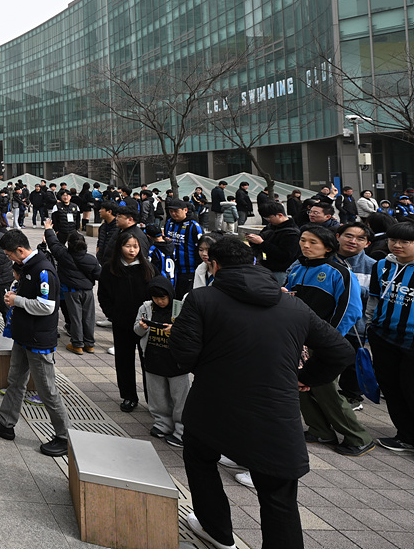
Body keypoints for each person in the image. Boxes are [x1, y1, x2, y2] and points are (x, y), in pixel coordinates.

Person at [171, 237, 354, 549]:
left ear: (214, 265)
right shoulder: (294, 305)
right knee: (278, 496)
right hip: (275, 414)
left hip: (213, 407)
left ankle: (216, 529)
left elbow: (181, 356)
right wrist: (305, 378)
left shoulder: (202, 299)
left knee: (200, 462)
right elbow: (341, 351)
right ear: (254, 262)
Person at [0, 229, 70, 457]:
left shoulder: (43, 269)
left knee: (47, 389)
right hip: (23, 336)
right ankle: (6, 422)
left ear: (20, 250)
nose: (9, 259)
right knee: (15, 380)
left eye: (10, 255)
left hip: (39, 340)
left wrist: (17, 301)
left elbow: (47, 306)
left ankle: (64, 437)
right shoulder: (28, 267)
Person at [366, 220, 414, 452]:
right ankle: (405, 436)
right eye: (393, 240)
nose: (397, 245)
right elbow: (374, 299)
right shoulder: (382, 265)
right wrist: (369, 328)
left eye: (406, 241)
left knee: (410, 388)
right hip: (383, 336)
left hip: (411, 341)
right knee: (392, 388)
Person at [97, 231, 155, 412]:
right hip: (122, 323)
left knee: (149, 361)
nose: (132, 250)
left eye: (135, 246)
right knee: (124, 361)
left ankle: (153, 398)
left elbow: (158, 292)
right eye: (128, 246)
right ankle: (129, 396)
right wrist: (113, 314)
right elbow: (103, 295)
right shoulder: (110, 268)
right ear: (120, 247)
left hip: (145, 324)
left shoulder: (148, 268)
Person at [133, 276, 187, 447]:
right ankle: (162, 424)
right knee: (157, 396)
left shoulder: (180, 308)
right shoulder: (146, 307)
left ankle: (182, 431)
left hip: (176, 361)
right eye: (156, 298)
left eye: (163, 298)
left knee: (180, 398)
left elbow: (189, 332)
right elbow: (136, 329)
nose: (160, 301)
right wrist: (141, 328)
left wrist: (176, 330)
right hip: (153, 358)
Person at [335, 222, 375, 406]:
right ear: (338, 236)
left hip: (356, 328)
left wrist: (350, 288)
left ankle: (352, 396)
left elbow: (376, 297)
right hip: (325, 324)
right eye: (348, 236)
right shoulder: (323, 259)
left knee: (352, 364)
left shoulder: (373, 267)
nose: (353, 241)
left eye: (360, 238)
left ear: (367, 244)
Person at [45, 222, 100, 354]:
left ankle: (77, 344)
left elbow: (53, 244)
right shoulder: (91, 259)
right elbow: (99, 275)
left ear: (69, 244)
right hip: (88, 292)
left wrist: (48, 230)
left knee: (75, 317)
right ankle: (89, 344)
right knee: (88, 317)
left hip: (71, 292)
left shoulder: (64, 255)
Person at [247, 201, 301, 286]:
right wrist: (254, 240)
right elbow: (262, 237)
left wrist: (262, 243)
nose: (268, 220)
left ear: (280, 215)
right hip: (268, 267)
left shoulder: (292, 233)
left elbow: (286, 255)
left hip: (282, 271)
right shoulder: (271, 226)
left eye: (269, 218)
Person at [162, 199, 204, 298]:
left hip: (188, 270)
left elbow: (200, 248)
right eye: (171, 211)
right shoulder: (169, 223)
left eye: (176, 211)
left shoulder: (194, 226)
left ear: (185, 210)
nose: (173, 214)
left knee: (185, 297)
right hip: (171, 268)